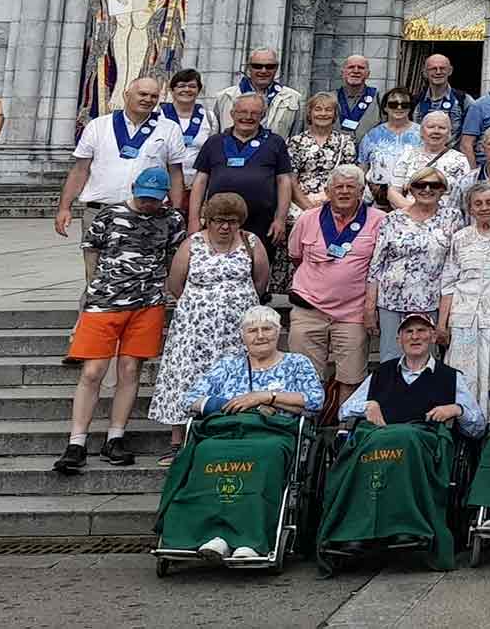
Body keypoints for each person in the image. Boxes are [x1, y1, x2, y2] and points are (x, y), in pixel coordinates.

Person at [53, 167, 182, 473]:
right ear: (134, 188)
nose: (148, 204)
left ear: (164, 196)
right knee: (93, 370)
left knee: (129, 368)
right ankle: (77, 440)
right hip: (106, 301)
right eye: (144, 197)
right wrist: (93, 285)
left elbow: (173, 255)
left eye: (154, 199)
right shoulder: (110, 215)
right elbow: (91, 249)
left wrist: (165, 288)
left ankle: (116, 436)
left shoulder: (171, 219)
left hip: (147, 302)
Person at [151, 191, 269, 464]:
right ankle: (178, 441)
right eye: (219, 220)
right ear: (208, 220)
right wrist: (202, 307)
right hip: (193, 329)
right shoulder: (192, 244)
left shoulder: (251, 242)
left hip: (237, 330)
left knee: (234, 379)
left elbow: (260, 281)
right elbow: (175, 284)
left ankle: (228, 433)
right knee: (185, 378)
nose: (225, 226)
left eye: (232, 221)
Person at [56, 76, 187, 291]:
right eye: (142, 94)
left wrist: (176, 209)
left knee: (146, 276)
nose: (147, 99)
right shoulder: (98, 126)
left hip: (148, 213)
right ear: (127, 94)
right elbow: (80, 170)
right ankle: (90, 323)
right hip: (100, 211)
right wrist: (64, 207)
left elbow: (175, 174)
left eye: (153, 96)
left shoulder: (169, 129)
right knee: (96, 278)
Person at [286, 164, 380, 418]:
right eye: (338, 186)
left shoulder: (378, 221)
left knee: (351, 377)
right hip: (309, 310)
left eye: (351, 187)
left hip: (352, 314)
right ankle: (307, 432)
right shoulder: (307, 218)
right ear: (327, 190)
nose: (344, 191)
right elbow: (295, 255)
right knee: (305, 377)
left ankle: (342, 431)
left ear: (362, 191)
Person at [337, 309, 486, 438]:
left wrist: (458, 410)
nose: (415, 337)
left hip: (424, 455)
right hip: (380, 449)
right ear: (399, 340)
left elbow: (478, 428)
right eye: (409, 332)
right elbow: (343, 412)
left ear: (433, 337)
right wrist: (368, 406)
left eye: (421, 330)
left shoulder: (451, 377)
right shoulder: (381, 373)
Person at [189, 91, 294, 265]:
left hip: (261, 222)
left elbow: (284, 181)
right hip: (219, 222)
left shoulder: (275, 142)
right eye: (242, 112)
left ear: (263, 116)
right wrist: (193, 219)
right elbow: (200, 181)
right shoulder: (214, 142)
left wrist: (280, 219)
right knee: (216, 266)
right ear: (232, 114)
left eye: (255, 113)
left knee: (257, 268)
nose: (248, 117)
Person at [365, 166, 455, 360]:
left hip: (429, 303)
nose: (427, 189)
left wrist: (443, 320)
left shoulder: (452, 218)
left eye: (435, 185)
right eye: (420, 184)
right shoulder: (392, 219)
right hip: (391, 302)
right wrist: (370, 309)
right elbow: (376, 266)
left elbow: (452, 269)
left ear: (443, 190)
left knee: (426, 364)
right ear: (411, 189)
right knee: (391, 361)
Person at [441, 181, 490, 394]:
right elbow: (449, 283)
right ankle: (462, 424)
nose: (484, 208)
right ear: (470, 209)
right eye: (478, 204)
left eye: (489, 202)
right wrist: (442, 324)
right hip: (463, 319)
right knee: (462, 378)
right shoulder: (460, 237)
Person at [185, 305, 325, 425]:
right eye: (252, 331)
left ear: (278, 331)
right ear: (242, 336)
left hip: (275, 433)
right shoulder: (228, 365)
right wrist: (243, 406)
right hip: (226, 431)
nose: (260, 336)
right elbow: (189, 399)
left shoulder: (297, 363)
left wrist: (265, 397)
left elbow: (315, 400)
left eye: (266, 329)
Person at [387, 112, 473, 225]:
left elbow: (466, 198)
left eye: (442, 128)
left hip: (444, 222)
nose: (436, 131)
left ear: (449, 133)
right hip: (409, 220)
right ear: (422, 132)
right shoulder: (408, 155)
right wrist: (416, 210)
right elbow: (393, 192)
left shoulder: (460, 160)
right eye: (431, 127)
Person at [285, 91, 357, 220]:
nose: (323, 114)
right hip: (301, 204)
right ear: (310, 113)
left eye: (328, 110)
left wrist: (331, 205)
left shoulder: (346, 142)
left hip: (337, 204)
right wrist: (308, 208)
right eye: (318, 109)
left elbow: (349, 179)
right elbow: (291, 180)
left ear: (335, 114)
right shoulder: (296, 142)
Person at [357, 88, 423, 202]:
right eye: (393, 104)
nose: (399, 108)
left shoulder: (422, 134)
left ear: (410, 107)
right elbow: (362, 167)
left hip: (412, 199)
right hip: (376, 199)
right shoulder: (372, 135)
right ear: (385, 108)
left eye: (404, 104)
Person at [233, 50, 306, 140]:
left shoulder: (293, 98)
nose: (263, 71)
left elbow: (296, 137)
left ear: (276, 68)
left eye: (270, 66)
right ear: (249, 67)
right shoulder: (225, 96)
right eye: (257, 66)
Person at [162, 69, 216, 191]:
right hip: (162, 185)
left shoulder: (209, 118)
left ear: (199, 90)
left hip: (196, 186)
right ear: (172, 90)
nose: (187, 90)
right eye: (181, 86)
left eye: (192, 86)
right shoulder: (158, 115)